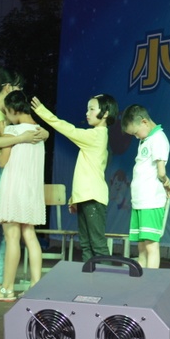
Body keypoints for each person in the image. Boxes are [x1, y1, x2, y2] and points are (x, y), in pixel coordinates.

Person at [0, 67, 47, 300]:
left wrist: (7, 135)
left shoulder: (12, 129)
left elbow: (4, 160)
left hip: (12, 187)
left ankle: (5, 286)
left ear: (13, 111)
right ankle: (31, 284)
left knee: (9, 237)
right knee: (26, 236)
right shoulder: (36, 130)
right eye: (18, 86)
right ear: (7, 88)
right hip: (29, 189)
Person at [31, 93, 118, 262]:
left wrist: (41, 110)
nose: (87, 113)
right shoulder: (97, 136)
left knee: (97, 244)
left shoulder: (96, 135)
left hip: (93, 198)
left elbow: (67, 129)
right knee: (86, 244)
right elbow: (86, 172)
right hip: (88, 197)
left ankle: (105, 277)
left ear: (105, 113)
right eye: (87, 109)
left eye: (92, 109)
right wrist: (76, 198)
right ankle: (89, 277)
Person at [121, 105, 170, 269]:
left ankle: (151, 282)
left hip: (151, 201)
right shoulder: (146, 139)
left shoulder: (158, 138)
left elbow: (161, 171)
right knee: (142, 247)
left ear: (144, 122)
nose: (136, 136)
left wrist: (166, 181)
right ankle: (140, 279)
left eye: (136, 132)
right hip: (140, 201)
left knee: (151, 245)